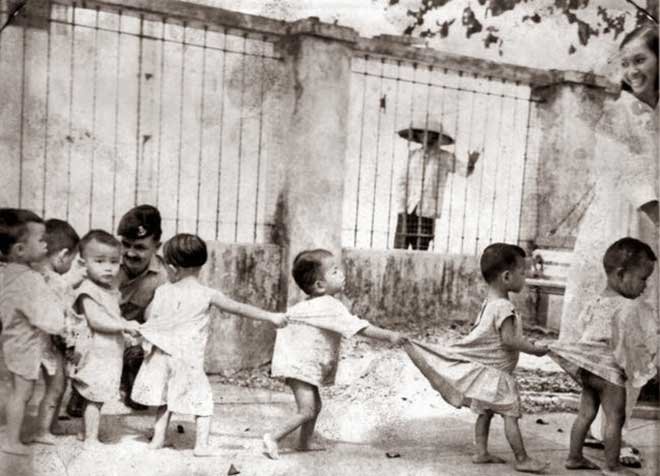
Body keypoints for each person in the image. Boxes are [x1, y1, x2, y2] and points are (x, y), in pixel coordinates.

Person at [559, 25, 658, 468]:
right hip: (620, 225)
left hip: (648, 229)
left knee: (640, 323)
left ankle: (611, 427)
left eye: (641, 59)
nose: (632, 70)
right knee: (612, 320)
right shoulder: (619, 113)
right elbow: (629, 173)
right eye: (627, 62)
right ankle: (603, 427)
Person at [131, 233, 288, 456]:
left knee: (165, 398)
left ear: (173, 268)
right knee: (203, 402)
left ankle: (158, 439)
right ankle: (201, 446)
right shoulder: (207, 294)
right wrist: (271, 316)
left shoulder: (162, 291)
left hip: (162, 355)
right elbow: (239, 308)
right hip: (187, 358)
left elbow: (151, 317)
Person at [405, 243, 550, 474]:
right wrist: (534, 349)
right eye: (523, 273)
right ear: (506, 276)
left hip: (486, 376)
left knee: (485, 412)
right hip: (498, 376)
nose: (526, 277)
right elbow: (509, 340)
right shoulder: (504, 307)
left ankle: (481, 452)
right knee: (511, 415)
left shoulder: (489, 304)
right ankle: (522, 459)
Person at [262, 248, 408, 459]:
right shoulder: (329, 306)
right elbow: (359, 327)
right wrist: (390, 336)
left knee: (315, 406)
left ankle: (304, 442)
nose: (342, 274)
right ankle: (273, 438)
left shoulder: (311, 304)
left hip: (300, 365)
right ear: (320, 285)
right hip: (299, 367)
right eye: (335, 271)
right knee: (307, 410)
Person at [550, 238, 657, 475]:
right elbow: (628, 345)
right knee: (615, 418)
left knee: (585, 413)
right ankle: (612, 466)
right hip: (609, 371)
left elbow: (583, 328)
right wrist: (643, 368)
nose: (646, 286)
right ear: (621, 274)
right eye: (643, 279)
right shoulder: (627, 307)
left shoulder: (596, 300)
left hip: (589, 367)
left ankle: (574, 457)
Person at [0, 209, 67, 455]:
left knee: (21, 391)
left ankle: (34, 431)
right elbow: (45, 318)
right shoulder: (30, 280)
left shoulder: (11, 274)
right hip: (27, 343)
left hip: (18, 339)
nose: (46, 243)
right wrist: (61, 322)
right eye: (40, 240)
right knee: (22, 393)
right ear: (19, 250)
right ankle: (11, 441)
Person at [68, 230, 141, 447]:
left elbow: (112, 317)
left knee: (95, 395)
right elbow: (97, 321)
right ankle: (91, 438)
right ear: (83, 264)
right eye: (99, 261)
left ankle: (84, 432)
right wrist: (124, 326)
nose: (108, 267)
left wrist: (125, 331)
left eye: (114, 262)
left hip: (107, 353)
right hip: (95, 353)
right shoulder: (88, 290)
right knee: (95, 398)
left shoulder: (109, 290)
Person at [32, 218, 84, 441]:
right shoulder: (57, 282)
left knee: (39, 388)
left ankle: (50, 425)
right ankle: (43, 430)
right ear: (63, 255)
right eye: (72, 259)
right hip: (52, 345)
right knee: (56, 387)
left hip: (34, 342)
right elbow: (65, 317)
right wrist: (73, 341)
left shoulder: (34, 277)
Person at [117, 205, 172, 410]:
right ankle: (81, 392)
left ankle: (134, 386)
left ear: (157, 246)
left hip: (135, 335)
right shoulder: (107, 262)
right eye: (126, 244)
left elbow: (159, 320)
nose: (130, 253)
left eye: (140, 247)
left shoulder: (163, 276)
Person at [394, 118, 478, 250]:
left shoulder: (445, 157)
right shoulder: (412, 156)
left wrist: (471, 163)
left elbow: (464, 171)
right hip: (408, 209)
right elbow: (401, 182)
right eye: (421, 133)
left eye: (428, 134)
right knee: (399, 249)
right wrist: (401, 206)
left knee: (421, 249)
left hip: (427, 211)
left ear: (435, 136)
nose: (424, 137)